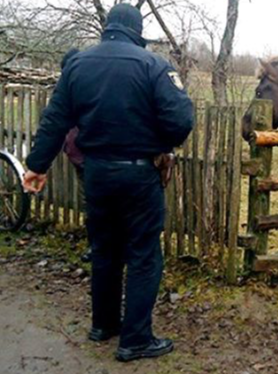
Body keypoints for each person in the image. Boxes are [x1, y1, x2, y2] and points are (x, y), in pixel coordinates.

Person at [23, 3, 193, 362]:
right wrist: (160, 143)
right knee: (144, 254)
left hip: (97, 172)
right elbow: (181, 120)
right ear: (137, 30)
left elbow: (55, 120)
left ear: (107, 27)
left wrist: (36, 166)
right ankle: (135, 339)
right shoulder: (154, 66)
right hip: (138, 174)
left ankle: (104, 325)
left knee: (104, 249)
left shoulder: (79, 65)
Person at [59, 48, 93, 263]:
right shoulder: (72, 89)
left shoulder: (86, 89)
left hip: (92, 156)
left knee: (95, 204)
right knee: (90, 204)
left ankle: (100, 246)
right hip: (80, 156)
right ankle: (96, 245)